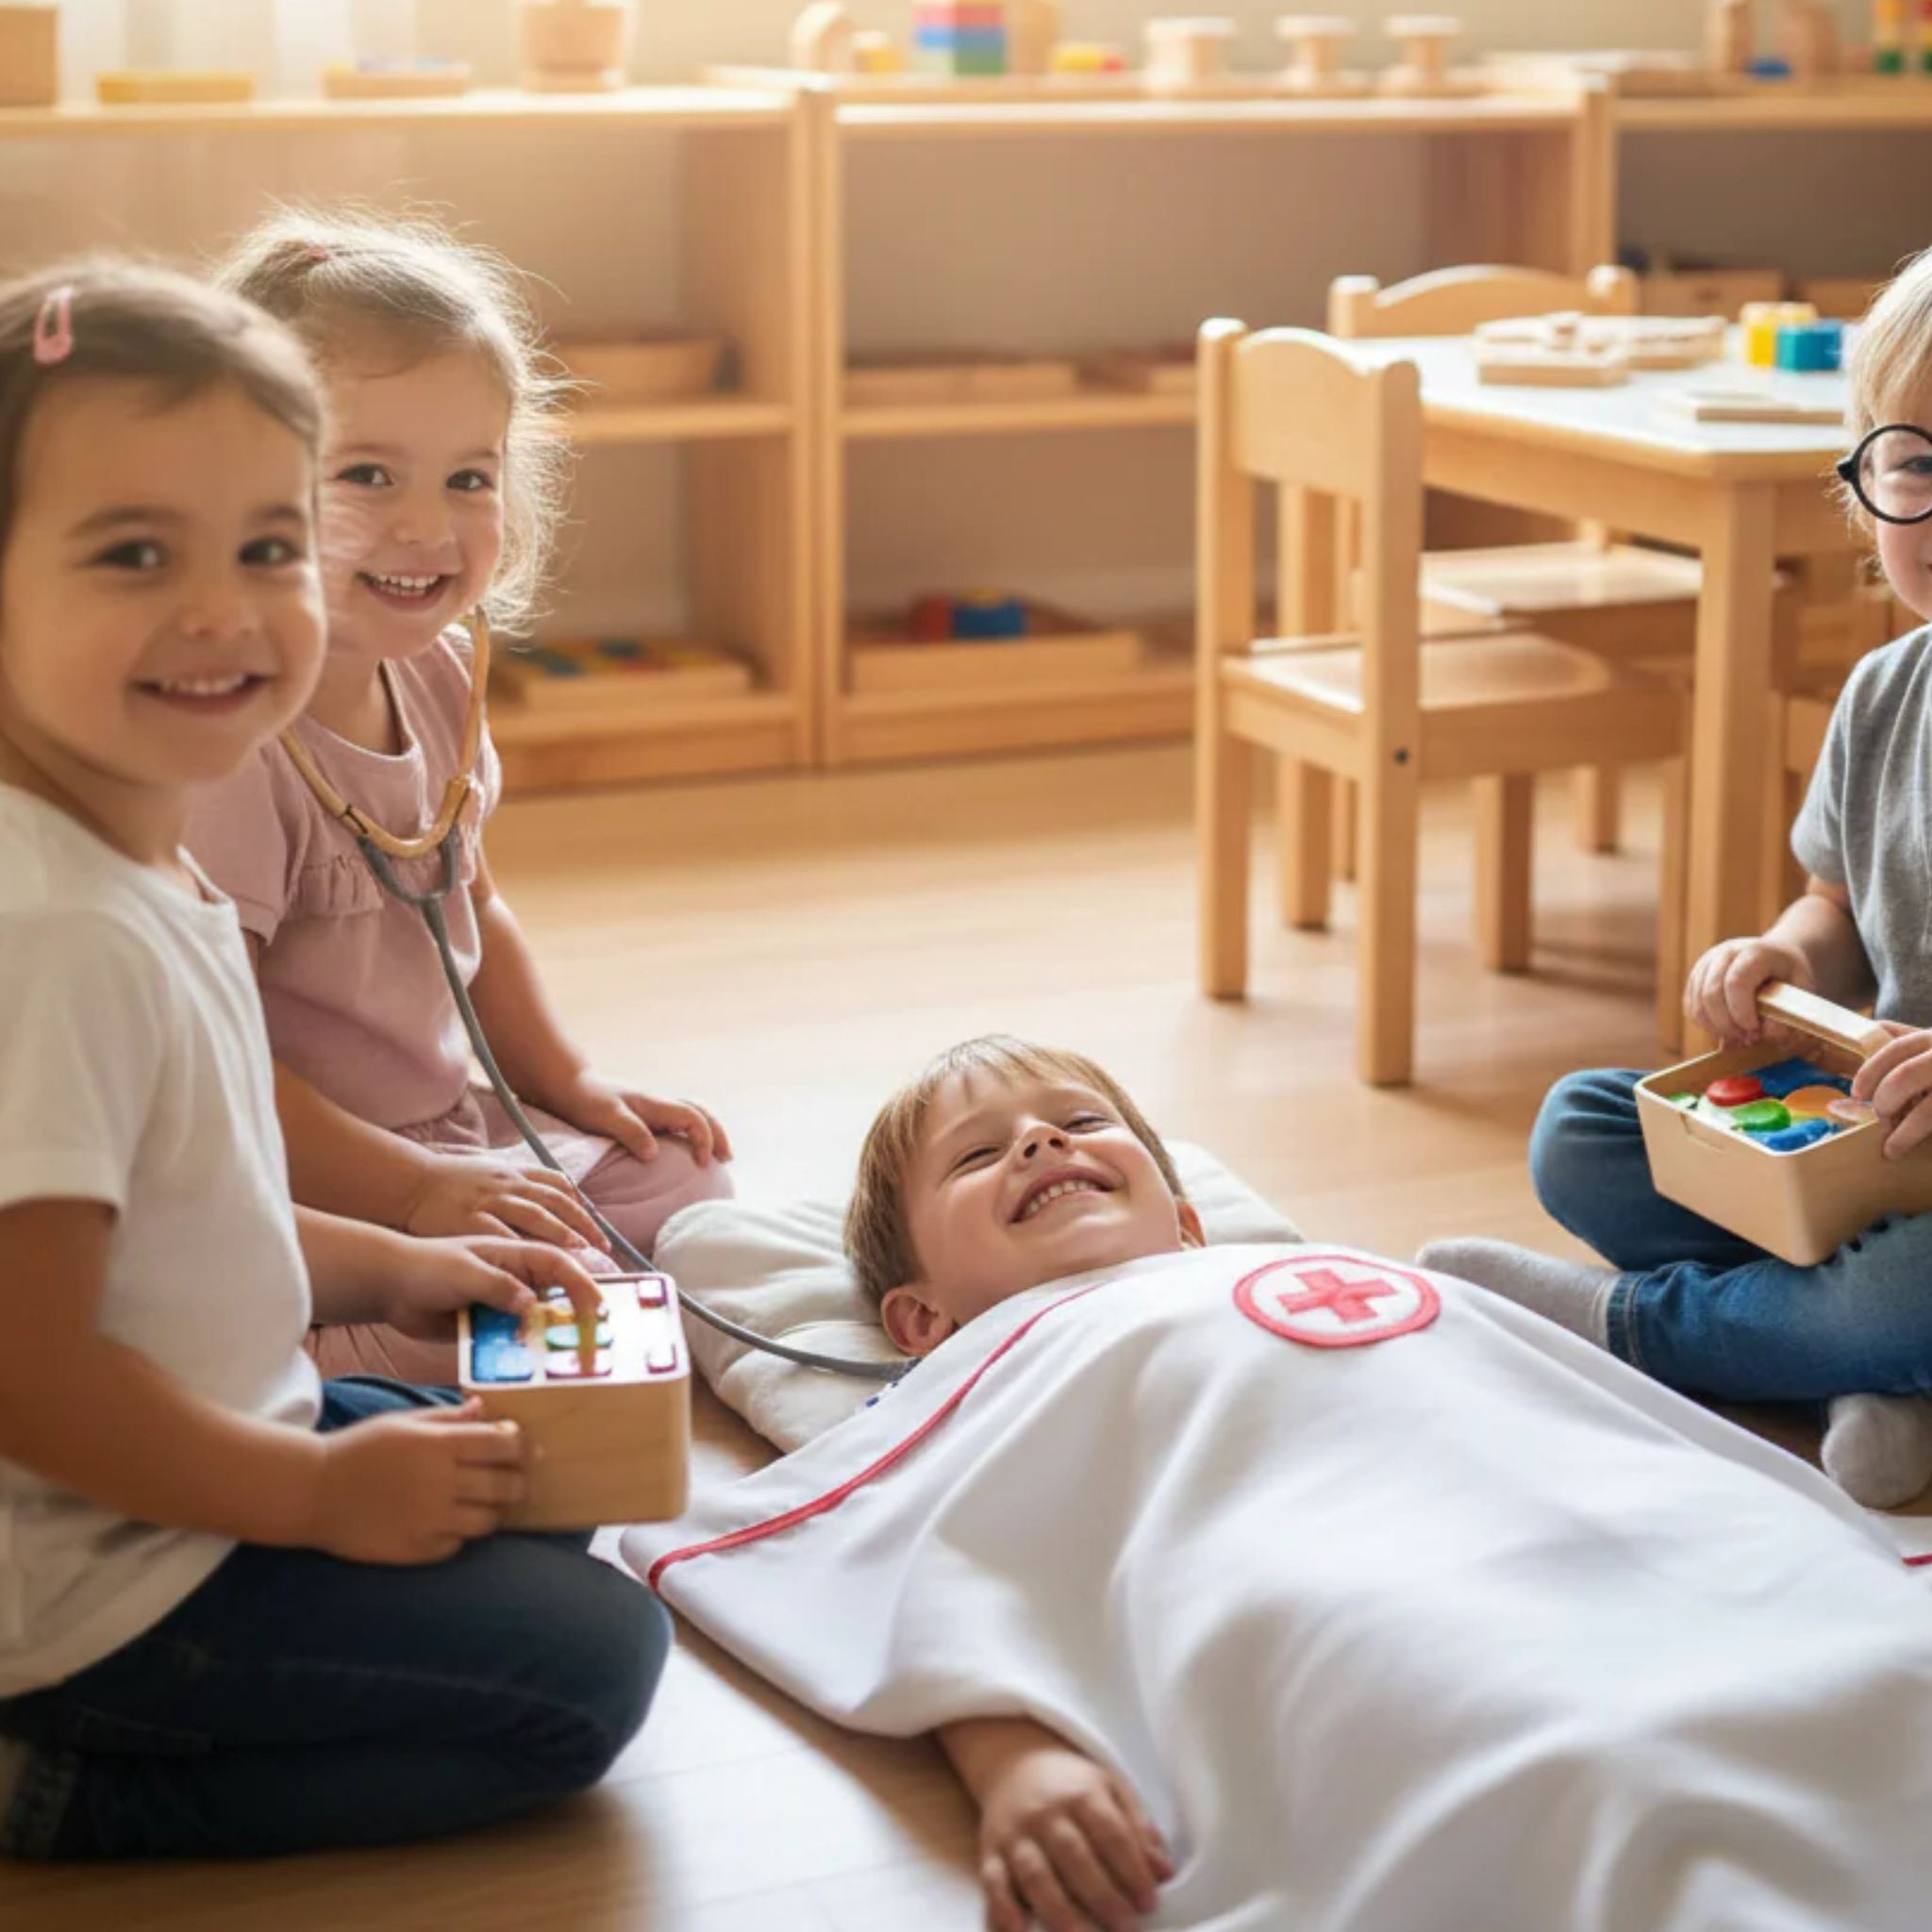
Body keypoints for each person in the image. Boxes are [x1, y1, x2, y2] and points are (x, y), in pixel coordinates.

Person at [626, 1036, 1932, 1932]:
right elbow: (929, 1561)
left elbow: (1583, 1415)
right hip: (1361, 1588)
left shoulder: (1352, 1273)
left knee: (1860, 1657)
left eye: (1080, 1125)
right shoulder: (992, 1372)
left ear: (1190, 1219)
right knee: (1582, 1763)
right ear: (918, 1321)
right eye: (981, 1158)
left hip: (1613, 1523)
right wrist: (1012, 1756)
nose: (1039, 1143)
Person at [0, 261, 665, 1859]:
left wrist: (392, 1255)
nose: (223, 609)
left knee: (536, 1480)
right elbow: (30, 1374)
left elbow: (187, 1216)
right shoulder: (55, 935)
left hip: (212, 1422)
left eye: (269, 546)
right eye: (134, 555)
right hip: (87, 1587)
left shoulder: (137, 856)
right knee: (590, 1671)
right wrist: (307, 1501)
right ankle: (52, 1778)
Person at [1420, 245, 1932, 1510]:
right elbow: (1835, 911)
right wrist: (1780, 962)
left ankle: (1630, 1332)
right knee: (1586, 1133)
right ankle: (1866, 1376)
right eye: (1918, 467)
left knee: (1905, 1290)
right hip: (1855, 1144)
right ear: (1864, 490)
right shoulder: (1884, 697)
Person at [188, 208, 733, 1385]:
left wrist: (566, 1084)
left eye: (469, 476)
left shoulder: (434, 675)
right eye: (366, 474)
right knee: (478, 1311)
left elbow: (476, 895)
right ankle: (330, 1340)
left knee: (682, 1182)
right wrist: (417, 1196)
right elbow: (204, 1061)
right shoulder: (226, 741)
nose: (427, 525)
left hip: (439, 1127)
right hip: (282, 1167)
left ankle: (453, 1309)